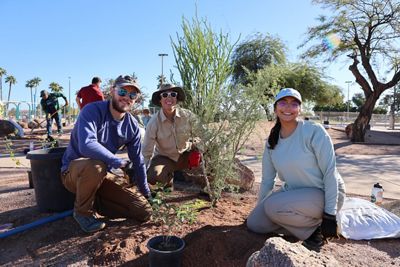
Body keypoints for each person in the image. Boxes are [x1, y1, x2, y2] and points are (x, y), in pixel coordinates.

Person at [246, 88, 346, 252]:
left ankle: (316, 233)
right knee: (255, 223)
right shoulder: (272, 140)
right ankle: (301, 224)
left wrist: (330, 213)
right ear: (275, 108)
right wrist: (259, 207)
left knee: (272, 206)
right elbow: (267, 180)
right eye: (283, 103)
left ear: (299, 109)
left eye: (294, 104)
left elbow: (330, 173)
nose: (288, 108)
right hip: (295, 195)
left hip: (325, 193)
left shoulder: (313, 131)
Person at [61, 75, 152, 233]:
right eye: (122, 91)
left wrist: (147, 193)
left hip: (103, 175)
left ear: (136, 99)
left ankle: (97, 201)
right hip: (75, 173)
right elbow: (87, 145)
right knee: (96, 166)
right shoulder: (92, 111)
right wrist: (117, 161)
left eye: (132, 95)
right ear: (112, 91)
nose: (126, 98)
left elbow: (138, 160)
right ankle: (82, 213)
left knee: (143, 211)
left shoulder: (132, 126)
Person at [142, 83, 202, 188]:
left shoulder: (188, 116)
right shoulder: (153, 122)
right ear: (160, 100)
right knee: (153, 177)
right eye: (164, 95)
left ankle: (207, 188)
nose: (169, 97)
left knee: (210, 155)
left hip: (186, 155)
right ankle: (168, 180)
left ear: (177, 98)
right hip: (165, 158)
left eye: (173, 94)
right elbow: (147, 151)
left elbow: (203, 134)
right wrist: (141, 172)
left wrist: (194, 144)